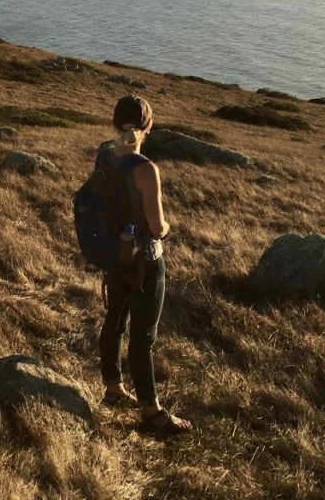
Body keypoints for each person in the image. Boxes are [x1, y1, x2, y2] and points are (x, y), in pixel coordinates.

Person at [97, 94, 193, 434]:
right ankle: (151, 411)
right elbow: (156, 227)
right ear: (147, 128)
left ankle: (113, 387)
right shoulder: (146, 169)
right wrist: (167, 228)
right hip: (145, 263)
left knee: (114, 322)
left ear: (114, 123)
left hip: (115, 256)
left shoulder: (104, 156)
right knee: (143, 338)